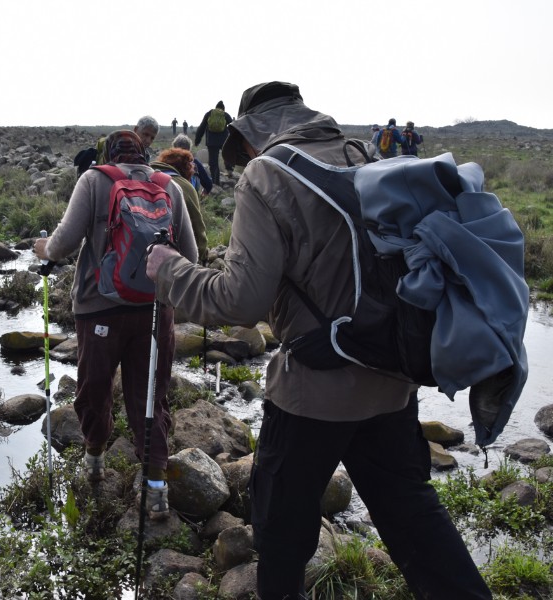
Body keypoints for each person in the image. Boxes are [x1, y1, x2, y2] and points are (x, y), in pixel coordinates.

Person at [146, 82, 493, 600]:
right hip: (389, 376)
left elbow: (241, 301)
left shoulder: (268, 174)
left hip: (311, 391)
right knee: (414, 520)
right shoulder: (359, 154)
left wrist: (170, 271)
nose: (243, 159)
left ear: (251, 131)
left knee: (282, 536)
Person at [34, 130, 197, 521]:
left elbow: (62, 244)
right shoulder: (169, 186)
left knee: (95, 388)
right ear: (146, 154)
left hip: (98, 309)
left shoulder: (93, 180)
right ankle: (156, 489)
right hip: (155, 311)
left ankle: (94, 460)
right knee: (150, 396)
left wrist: (44, 249)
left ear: (107, 154)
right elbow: (190, 255)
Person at [151, 147, 208, 264]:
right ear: (186, 167)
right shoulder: (185, 186)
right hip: (175, 258)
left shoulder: (145, 177)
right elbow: (197, 226)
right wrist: (202, 255)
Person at [194, 100, 233, 186]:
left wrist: (197, 140)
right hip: (224, 141)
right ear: (223, 108)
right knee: (227, 155)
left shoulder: (209, 114)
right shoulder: (225, 115)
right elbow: (233, 126)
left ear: (216, 107)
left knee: (213, 162)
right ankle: (229, 170)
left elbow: (202, 127)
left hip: (211, 141)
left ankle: (215, 182)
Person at [95, 115, 160, 166]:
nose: (148, 141)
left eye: (152, 138)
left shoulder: (146, 156)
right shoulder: (116, 146)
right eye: (145, 134)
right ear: (136, 129)